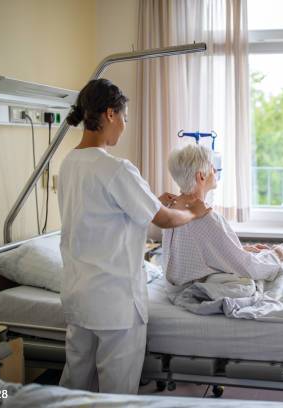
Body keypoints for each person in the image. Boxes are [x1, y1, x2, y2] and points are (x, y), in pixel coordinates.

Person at [57, 79, 210, 394]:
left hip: (79, 297)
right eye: (124, 118)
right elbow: (164, 220)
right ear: (111, 114)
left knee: (74, 388)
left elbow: (103, 209)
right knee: (117, 394)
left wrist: (155, 200)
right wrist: (194, 212)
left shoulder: (70, 163)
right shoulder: (116, 168)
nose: (124, 127)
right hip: (115, 302)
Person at [162, 143, 283, 287]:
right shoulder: (207, 218)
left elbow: (197, 252)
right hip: (196, 290)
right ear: (201, 176)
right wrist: (277, 254)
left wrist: (240, 250)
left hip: (174, 288)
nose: (215, 170)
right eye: (211, 166)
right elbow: (249, 268)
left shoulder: (169, 209)